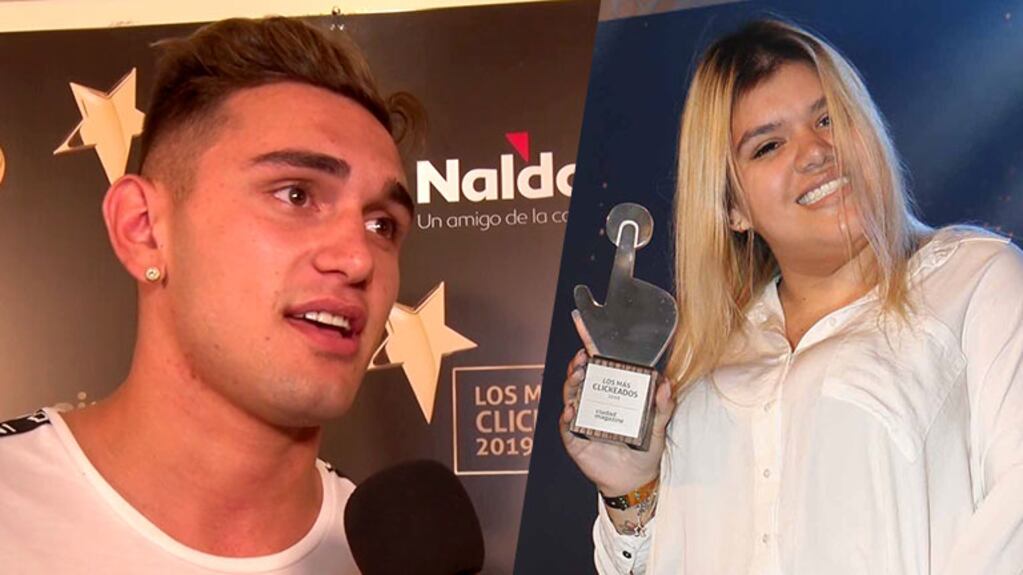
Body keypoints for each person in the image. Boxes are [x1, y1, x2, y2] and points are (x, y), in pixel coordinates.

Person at [561, 19, 1023, 574]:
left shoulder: (974, 281)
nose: (816, 152)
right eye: (769, 146)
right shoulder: (703, 360)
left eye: (829, 119)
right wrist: (630, 490)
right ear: (732, 208)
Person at [0, 17, 419, 573]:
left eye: (381, 225)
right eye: (296, 195)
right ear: (143, 230)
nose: (359, 258)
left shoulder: (385, 559)